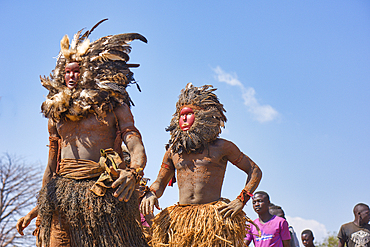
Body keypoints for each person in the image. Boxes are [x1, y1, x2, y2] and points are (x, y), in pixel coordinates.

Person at [16, 19, 149, 246]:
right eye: (67, 71)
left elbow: (135, 142)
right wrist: (38, 208)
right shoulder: (56, 113)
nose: (71, 76)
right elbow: (51, 166)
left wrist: (133, 172)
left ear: (88, 72)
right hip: (62, 197)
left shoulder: (113, 104)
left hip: (103, 193)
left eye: (77, 71)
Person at [140, 83, 262, 246]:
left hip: (213, 220)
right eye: (181, 115)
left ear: (203, 117)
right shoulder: (173, 152)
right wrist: (152, 193)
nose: (183, 119)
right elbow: (160, 182)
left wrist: (240, 200)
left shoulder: (222, 147)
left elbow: (254, 171)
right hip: (181, 222)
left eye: (189, 114)